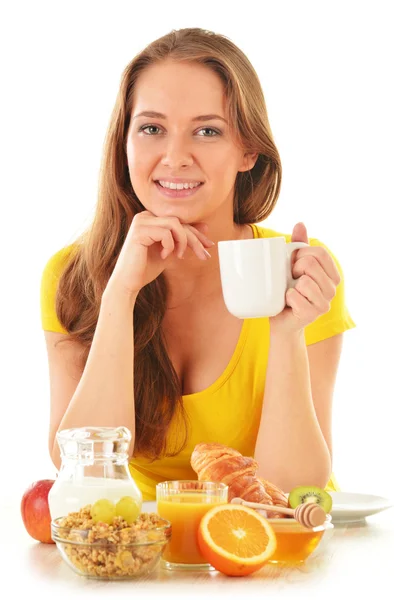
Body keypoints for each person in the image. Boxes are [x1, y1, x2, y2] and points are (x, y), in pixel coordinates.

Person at [40, 27, 355, 502]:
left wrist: (287, 332)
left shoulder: (295, 270)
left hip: (271, 556)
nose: (175, 157)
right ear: (123, 144)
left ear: (248, 150)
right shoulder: (73, 275)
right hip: (156, 558)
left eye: (207, 131)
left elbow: (291, 492)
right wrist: (120, 296)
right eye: (151, 128)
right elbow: (84, 473)